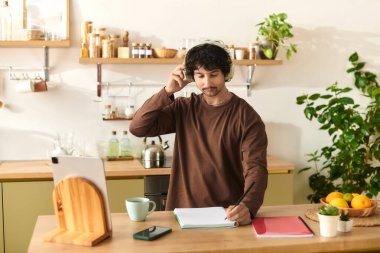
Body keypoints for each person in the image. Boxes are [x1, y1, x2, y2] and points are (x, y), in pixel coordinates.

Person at [129, 42, 268, 225]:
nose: (207, 83)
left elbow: (255, 168)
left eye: (214, 75)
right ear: (191, 76)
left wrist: (248, 207)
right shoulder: (184, 108)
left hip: (225, 215)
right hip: (181, 213)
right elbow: (138, 128)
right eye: (200, 76)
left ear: (226, 74)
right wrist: (167, 91)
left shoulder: (247, 116)